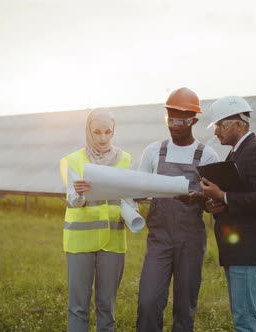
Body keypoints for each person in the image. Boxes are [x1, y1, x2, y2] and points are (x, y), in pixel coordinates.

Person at [200, 96, 256, 332]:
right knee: (242, 316)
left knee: (245, 319)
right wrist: (219, 205)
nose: (216, 131)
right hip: (240, 250)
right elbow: (242, 195)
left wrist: (223, 196)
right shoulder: (237, 153)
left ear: (239, 125)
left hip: (249, 249)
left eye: (221, 125)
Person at [136, 87, 220, 332]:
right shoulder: (153, 151)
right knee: (148, 302)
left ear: (194, 120)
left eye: (181, 119)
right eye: (169, 118)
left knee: (185, 307)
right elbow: (140, 189)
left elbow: (214, 201)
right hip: (159, 239)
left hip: (190, 241)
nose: (173, 124)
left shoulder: (207, 155)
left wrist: (200, 200)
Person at [59, 108, 135, 332]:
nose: (103, 138)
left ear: (114, 131)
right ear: (89, 132)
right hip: (79, 242)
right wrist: (79, 193)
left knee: (106, 307)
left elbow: (129, 198)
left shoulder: (125, 160)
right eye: (97, 132)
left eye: (108, 132)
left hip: (113, 242)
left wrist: (131, 212)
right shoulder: (73, 160)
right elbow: (72, 201)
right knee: (78, 307)